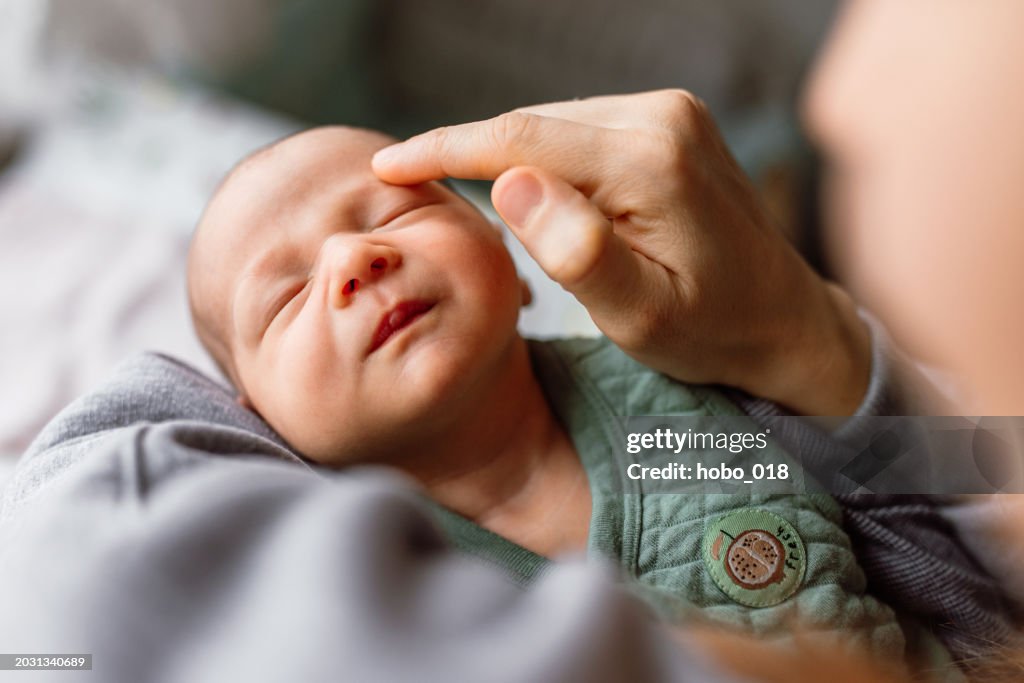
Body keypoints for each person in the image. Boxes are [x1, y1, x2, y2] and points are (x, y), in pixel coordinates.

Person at [185, 124, 997, 676]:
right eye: (287, 298)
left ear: (508, 244)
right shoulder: (367, 575)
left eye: (396, 212)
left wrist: (827, 355)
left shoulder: (673, 408)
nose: (354, 259)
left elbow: (979, 471)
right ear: (254, 418)